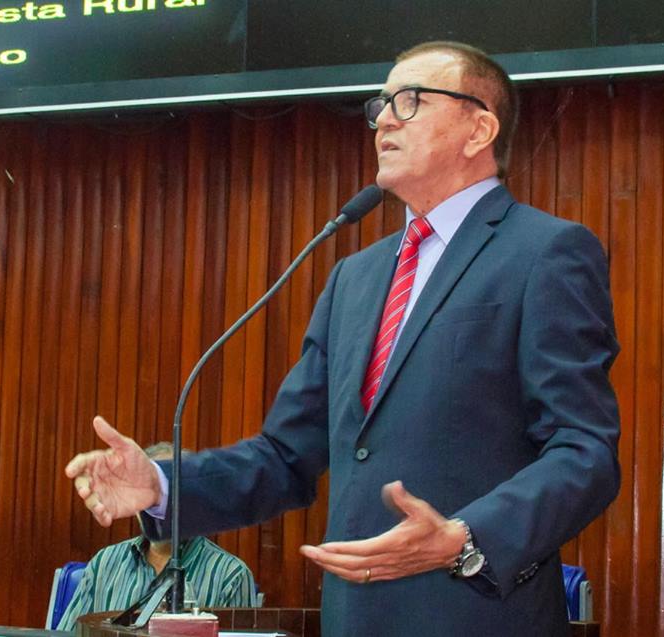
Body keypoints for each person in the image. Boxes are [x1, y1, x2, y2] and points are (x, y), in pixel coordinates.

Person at [66, 40, 620, 637]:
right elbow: (285, 457)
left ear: (479, 129)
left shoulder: (545, 252)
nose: (384, 120)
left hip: (478, 616)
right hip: (353, 618)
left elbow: (583, 451)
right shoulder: (355, 277)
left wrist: (465, 537)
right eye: (381, 105)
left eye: (410, 101)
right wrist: (162, 486)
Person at [57, 442, 256, 632]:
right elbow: (67, 634)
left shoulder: (231, 576)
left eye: (169, 492)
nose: (160, 506)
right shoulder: (104, 563)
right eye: (151, 494)